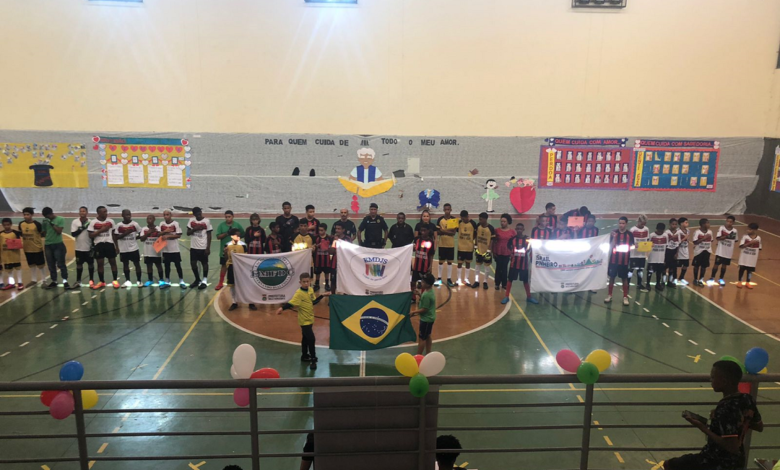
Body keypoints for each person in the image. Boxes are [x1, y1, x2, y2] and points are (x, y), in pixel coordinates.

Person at [663, 360, 763, 470]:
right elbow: (759, 426)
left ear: (724, 381)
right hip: (738, 461)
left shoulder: (725, 407)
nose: (711, 380)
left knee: (670, 465)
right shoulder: (747, 399)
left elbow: (731, 446)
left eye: (713, 377)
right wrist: (739, 422)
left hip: (716, 460)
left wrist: (703, 427)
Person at [276, 273, 329, 371]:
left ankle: (304, 356)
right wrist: (282, 308)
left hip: (310, 319)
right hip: (304, 321)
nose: (306, 283)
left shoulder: (310, 290)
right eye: (304, 282)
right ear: (300, 282)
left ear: (310, 281)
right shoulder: (299, 293)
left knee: (305, 338)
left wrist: (322, 295)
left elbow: (313, 302)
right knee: (311, 339)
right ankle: (313, 359)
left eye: (307, 281)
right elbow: (291, 303)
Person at [502, 222, 538, 305]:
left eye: (520, 229)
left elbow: (530, 249)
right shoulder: (512, 239)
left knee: (525, 281)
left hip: (524, 265)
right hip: (514, 264)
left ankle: (529, 297)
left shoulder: (528, 240)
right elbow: (508, 247)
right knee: (510, 279)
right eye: (517, 229)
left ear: (523, 230)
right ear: (515, 229)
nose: (519, 230)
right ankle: (506, 296)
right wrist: (511, 253)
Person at [605, 216, 634, 306]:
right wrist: (613, 237)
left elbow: (632, 246)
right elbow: (610, 245)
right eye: (620, 223)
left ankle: (625, 297)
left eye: (623, 223)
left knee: (624, 278)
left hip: (624, 261)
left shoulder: (629, 234)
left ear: (626, 224)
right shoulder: (614, 233)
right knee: (612, 278)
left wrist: (628, 248)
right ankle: (609, 295)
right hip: (614, 260)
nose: (621, 225)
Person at [88, 206, 119, 289]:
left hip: (109, 244)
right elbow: (90, 235)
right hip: (99, 244)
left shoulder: (111, 221)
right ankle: (102, 281)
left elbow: (114, 234)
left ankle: (115, 280)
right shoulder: (93, 222)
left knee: (113, 262)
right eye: (104, 212)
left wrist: (116, 246)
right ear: (98, 213)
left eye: (106, 211)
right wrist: (101, 230)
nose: (106, 213)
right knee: (100, 263)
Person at [224, 228, 254, 311]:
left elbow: (245, 257)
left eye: (239, 235)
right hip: (231, 266)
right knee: (232, 285)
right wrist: (224, 252)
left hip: (241, 267)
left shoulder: (243, 245)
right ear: (232, 236)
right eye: (236, 235)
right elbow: (226, 258)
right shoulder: (227, 245)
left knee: (245, 284)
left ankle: (250, 302)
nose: (238, 236)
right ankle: (234, 302)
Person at [113, 209, 143, 288]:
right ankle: (127, 281)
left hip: (134, 249)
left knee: (137, 264)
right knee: (125, 264)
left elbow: (141, 233)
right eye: (126, 215)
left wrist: (135, 238)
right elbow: (116, 237)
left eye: (129, 214)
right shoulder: (119, 225)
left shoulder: (135, 224)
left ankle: (139, 281)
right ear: (122, 215)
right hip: (123, 249)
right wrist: (126, 233)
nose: (128, 216)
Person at [215, 210, 244, 291]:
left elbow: (243, 233)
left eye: (229, 217)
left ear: (233, 216)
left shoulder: (237, 225)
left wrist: (236, 238)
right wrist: (227, 233)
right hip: (225, 250)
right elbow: (218, 236)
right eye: (226, 217)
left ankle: (238, 283)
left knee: (236, 267)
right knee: (224, 266)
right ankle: (220, 282)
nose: (228, 219)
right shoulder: (221, 225)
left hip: (235, 251)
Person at [41, 207, 69, 289]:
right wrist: (43, 226)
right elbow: (43, 234)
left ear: (51, 214)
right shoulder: (45, 221)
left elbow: (59, 231)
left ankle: (65, 280)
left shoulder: (60, 219)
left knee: (61, 264)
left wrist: (51, 222)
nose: (46, 218)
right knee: (51, 264)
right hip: (48, 245)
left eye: (47, 216)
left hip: (58, 244)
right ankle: (54, 281)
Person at [409, 272, 436, 355]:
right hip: (430, 318)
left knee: (422, 338)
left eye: (423, 282)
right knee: (427, 335)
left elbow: (424, 309)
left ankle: (418, 356)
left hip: (426, 319)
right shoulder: (429, 291)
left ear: (427, 284)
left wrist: (413, 312)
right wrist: (419, 294)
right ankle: (428, 353)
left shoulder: (427, 295)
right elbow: (426, 303)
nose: (421, 283)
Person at [19, 207, 46, 287]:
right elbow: (21, 234)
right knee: (31, 265)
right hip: (27, 248)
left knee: (41, 265)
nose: (26, 216)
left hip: (37, 248)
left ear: (32, 215)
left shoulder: (37, 224)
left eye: (28, 214)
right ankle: (33, 280)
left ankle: (44, 280)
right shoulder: (21, 224)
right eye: (24, 215)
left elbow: (43, 234)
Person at [187, 207, 213, 289]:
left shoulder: (207, 221)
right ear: (194, 214)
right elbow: (188, 233)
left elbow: (209, 235)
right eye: (196, 214)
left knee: (204, 264)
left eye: (199, 213)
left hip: (203, 247)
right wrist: (194, 229)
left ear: (201, 212)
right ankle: (197, 279)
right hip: (194, 247)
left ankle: (204, 280)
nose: (198, 215)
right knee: (193, 263)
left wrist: (208, 247)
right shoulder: (191, 221)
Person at [159, 210, 186, 288]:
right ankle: (167, 281)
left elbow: (178, 235)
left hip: (174, 249)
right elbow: (159, 234)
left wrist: (168, 236)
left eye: (167, 214)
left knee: (178, 265)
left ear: (171, 215)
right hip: (165, 249)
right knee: (167, 266)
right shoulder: (161, 224)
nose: (166, 216)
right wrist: (165, 231)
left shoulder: (175, 223)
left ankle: (181, 280)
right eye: (164, 215)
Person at [70, 206, 94, 288]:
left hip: (88, 248)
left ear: (87, 212)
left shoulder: (91, 222)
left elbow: (93, 235)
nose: (82, 212)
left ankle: (91, 280)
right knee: (79, 264)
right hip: (79, 248)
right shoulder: (75, 222)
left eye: (84, 211)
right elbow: (73, 234)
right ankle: (78, 281)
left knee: (91, 264)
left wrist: (93, 246)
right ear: (79, 213)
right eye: (81, 211)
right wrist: (82, 228)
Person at [711, 215, 738, 286]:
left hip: (728, 252)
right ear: (726, 221)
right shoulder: (722, 228)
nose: (729, 223)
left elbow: (735, 240)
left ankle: (721, 278)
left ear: (733, 223)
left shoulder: (735, 231)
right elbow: (718, 238)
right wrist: (727, 236)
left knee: (724, 266)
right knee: (716, 264)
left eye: (731, 222)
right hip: (720, 251)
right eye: (728, 221)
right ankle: (712, 277)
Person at [436, 203, 457, 287]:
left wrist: (443, 231)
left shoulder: (454, 219)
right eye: (445, 209)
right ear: (443, 210)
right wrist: (448, 231)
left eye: (448, 209)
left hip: (450, 245)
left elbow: (454, 233)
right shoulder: (440, 219)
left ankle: (449, 279)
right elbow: (437, 232)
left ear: (451, 210)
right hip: (442, 244)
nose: (447, 211)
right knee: (440, 262)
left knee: (449, 262)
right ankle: (439, 278)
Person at [411, 225, 436, 297]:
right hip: (416, 266)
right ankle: (413, 298)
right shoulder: (417, 239)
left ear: (428, 231)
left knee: (424, 283)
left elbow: (431, 255)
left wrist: (430, 266)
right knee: (413, 282)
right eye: (421, 231)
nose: (422, 232)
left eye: (424, 231)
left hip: (425, 266)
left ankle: (422, 297)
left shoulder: (431, 241)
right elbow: (413, 249)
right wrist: (413, 247)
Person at [139, 215, 164, 287]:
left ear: (154, 219)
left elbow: (161, 237)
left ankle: (161, 280)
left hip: (156, 252)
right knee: (149, 266)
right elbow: (141, 239)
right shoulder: (144, 229)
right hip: (147, 252)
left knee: (159, 266)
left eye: (150, 218)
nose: (149, 220)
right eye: (148, 218)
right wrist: (148, 233)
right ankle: (150, 280)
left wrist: (157, 233)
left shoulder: (158, 228)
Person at [492, 213, 514, 292]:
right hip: (498, 251)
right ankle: (497, 283)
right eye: (501, 221)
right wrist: (493, 252)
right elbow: (494, 241)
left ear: (508, 222)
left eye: (504, 221)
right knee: (498, 268)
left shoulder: (512, 232)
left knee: (505, 268)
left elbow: (513, 243)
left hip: (507, 252)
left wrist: (512, 253)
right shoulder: (496, 230)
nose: (502, 223)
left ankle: (504, 283)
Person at [328, 224, 352, 294]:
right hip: (334, 263)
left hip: (345, 263)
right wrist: (335, 242)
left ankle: (345, 295)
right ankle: (332, 296)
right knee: (333, 281)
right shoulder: (332, 239)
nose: (337, 230)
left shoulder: (348, 239)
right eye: (336, 229)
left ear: (343, 230)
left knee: (345, 279)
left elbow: (349, 251)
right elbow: (331, 251)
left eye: (339, 229)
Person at [0, 218, 24, 290]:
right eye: (5, 225)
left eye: (8, 225)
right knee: (9, 270)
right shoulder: (1, 234)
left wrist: (14, 245)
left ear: (11, 224)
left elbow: (19, 243)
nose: (6, 226)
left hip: (15, 255)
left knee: (18, 269)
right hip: (6, 256)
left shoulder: (15, 233)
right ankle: (11, 283)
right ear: (2, 225)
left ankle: (20, 282)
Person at [473, 212, 495, 289]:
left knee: (487, 268)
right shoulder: (478, 226)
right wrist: (475, 247)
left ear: (485, 219)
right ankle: (476, 281)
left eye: (481, 219)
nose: (479, 221)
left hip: (486, 251)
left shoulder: (491, 228)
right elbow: (475, 236)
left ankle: (485, 281)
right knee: (477, 267)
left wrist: (489, 251)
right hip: (479, 250)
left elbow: (492, 241)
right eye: (479, 219)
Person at [629, 214, 650, 293]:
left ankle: (639, 284)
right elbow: (630, 242)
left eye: (644, 223)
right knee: (631, 269)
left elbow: (647, 240)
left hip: (642, 254)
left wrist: (647, 247)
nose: (643, 225)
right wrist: (635, 245)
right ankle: (627, 283)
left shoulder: (646, 229)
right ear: (638, 221)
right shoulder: (633, 230)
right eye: (642, 223)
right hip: (633, 254)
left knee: (640, 269)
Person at [456, 210, 478, 286]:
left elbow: (475, 234)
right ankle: (458, 279)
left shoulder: (473, 223)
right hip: (460, 247)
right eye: (461, 218)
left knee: (468, 263)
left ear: (467, 216)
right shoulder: (459, 223)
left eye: (464, 218)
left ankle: (466, 279)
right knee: (459, 263)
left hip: (469, 247)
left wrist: (473, 241)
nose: (463, 219)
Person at [736, 223, 761, 289]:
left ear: (755, 230)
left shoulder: (758, 238)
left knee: (750, 271)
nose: (748, 230)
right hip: (744, 258)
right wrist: (750, 243)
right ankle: (739, 281)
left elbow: (759, 248)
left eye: (750, 229)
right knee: (741, 270)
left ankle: (748, 282)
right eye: (748, 229)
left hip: (752, 259)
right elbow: (741, 246)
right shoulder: (745, 237)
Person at [648, 222, 669, 292]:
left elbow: (666, 246)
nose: (660, 232)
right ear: (656, 229)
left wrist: (665, 258)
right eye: (659, 231)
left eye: (661, 231)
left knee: (659, 272)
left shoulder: (665, 236)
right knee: (650, 272)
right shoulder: (652, 236)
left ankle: (658, 284)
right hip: (652, 258)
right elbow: (648, 245)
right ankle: (648, 284)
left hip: (661, 258)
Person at [692, 218, 713, 287]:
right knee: (696, 266)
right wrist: (704, 238)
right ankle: (695, 279)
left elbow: (711, 240)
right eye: (707, 223)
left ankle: (701, 279)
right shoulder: (697, 232)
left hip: (707, 251)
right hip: (698, 252)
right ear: (703, 224)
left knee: (704, 266)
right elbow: (695, 242)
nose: (709, 224)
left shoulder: (710, 232)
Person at [313, 223, 333, 292]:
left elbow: (331, 247)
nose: (320, 232)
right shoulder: (316, 237)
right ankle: (317, 284)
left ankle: (327, 284)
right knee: (317, 273)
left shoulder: (329, 238)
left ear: (325, 230)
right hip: (318, 259)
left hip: (326, 259)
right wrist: (316, 246)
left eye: (322, 230)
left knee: (327, 272)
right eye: (319, 230)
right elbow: (313, 246)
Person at [664, 218, 681, 288]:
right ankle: (663, 281)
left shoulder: (678, 232)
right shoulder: (666, 232)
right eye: (673, 224)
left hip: (674, 251)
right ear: (670, 224)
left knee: (672, 268)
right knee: (664, 268)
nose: (674, 226)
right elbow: (664, 242)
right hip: (667, 251)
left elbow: (678, 243)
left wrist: (677, 253)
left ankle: (670, 282)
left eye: (676, 224)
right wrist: (671, 238)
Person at [676, 217, 691, 285]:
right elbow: (677, 242)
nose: (687, 223)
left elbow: (687, 240)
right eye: (686, 222)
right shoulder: (678, 231)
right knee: (676, 266)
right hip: (679, 251)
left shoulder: (688, 230)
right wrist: (685, 237)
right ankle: (674, 278)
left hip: (685, 250)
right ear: (681, 223)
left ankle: (681, 278)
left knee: (685, 265)